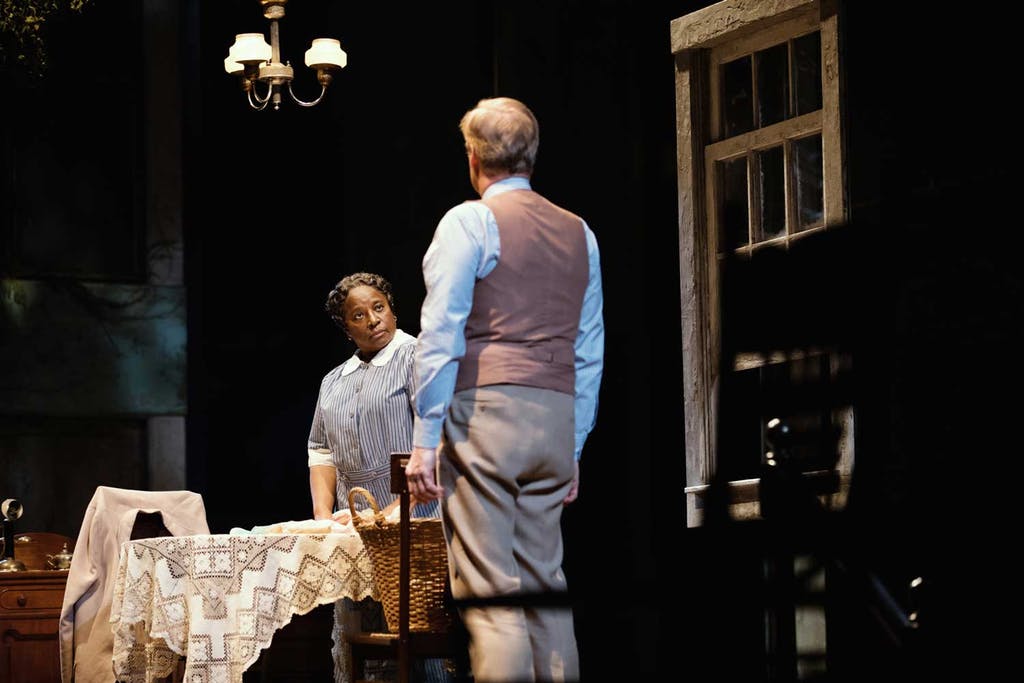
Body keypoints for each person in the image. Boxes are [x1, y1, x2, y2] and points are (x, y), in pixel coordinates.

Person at [407, 97, 605, 683]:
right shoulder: (581, 233)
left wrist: (425, 438)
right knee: (544, 583)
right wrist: (573, 444)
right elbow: (589, 346)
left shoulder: (469, 222)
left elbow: (441, 333)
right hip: (555, 418)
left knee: (492, 592)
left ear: (472, 157)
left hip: (488, 415)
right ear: (532, 156)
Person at [306, 271, 450, 683]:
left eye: (378, 308)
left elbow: (441, 436)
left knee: (417, 637)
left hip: (415, 515)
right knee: (363, 640)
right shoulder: (334, 380)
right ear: (345, 327)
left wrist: (395, 509)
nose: (372, 320)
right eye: (358, 315)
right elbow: (321, 449)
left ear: (392, 308)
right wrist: (322, 515)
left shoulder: (416, 357)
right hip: (354, 523)